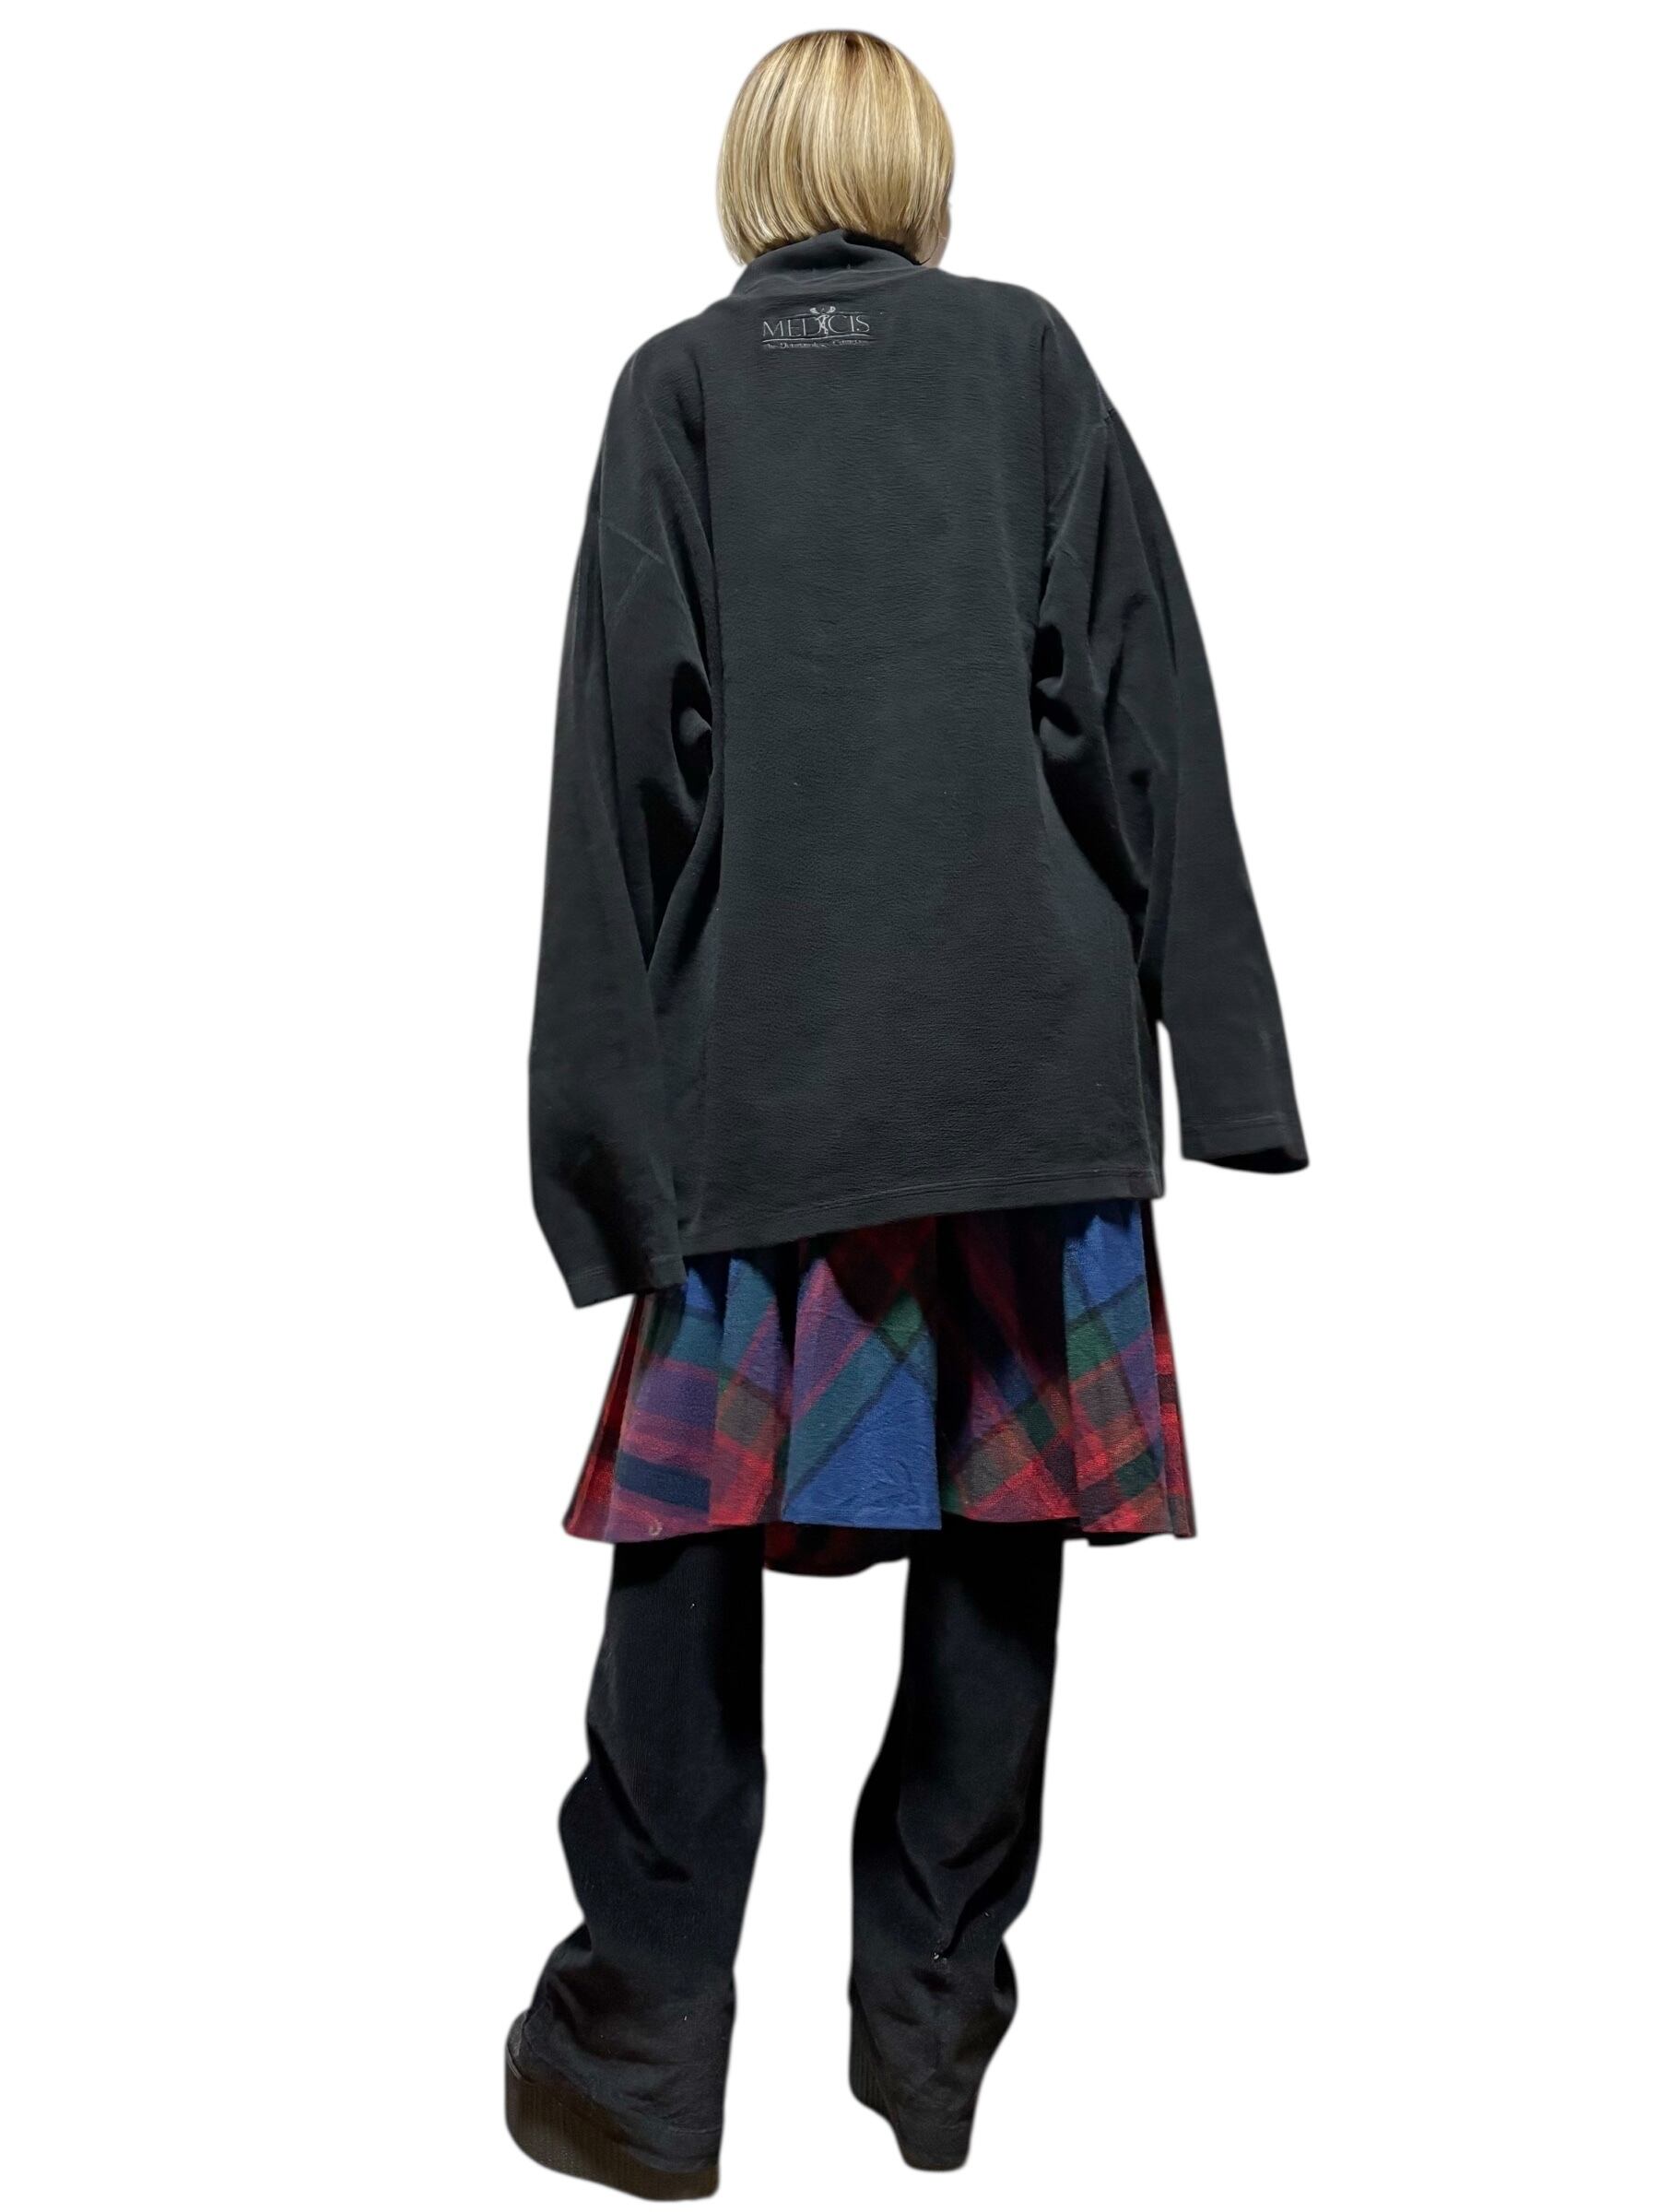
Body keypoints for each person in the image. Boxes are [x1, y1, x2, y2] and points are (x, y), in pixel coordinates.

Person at [506, 28, 1306, 2199]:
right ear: (924, 176)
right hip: (1025, 1077)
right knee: (997, 1554)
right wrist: (1226, 1063)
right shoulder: (1027, 359)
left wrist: (594, 1146)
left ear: (757, 173)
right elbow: (1145, 703)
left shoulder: (678, 392)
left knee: (687, 1559)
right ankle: (930, 2026)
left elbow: (623, 778)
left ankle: (640, 2049)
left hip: (766, 1076)